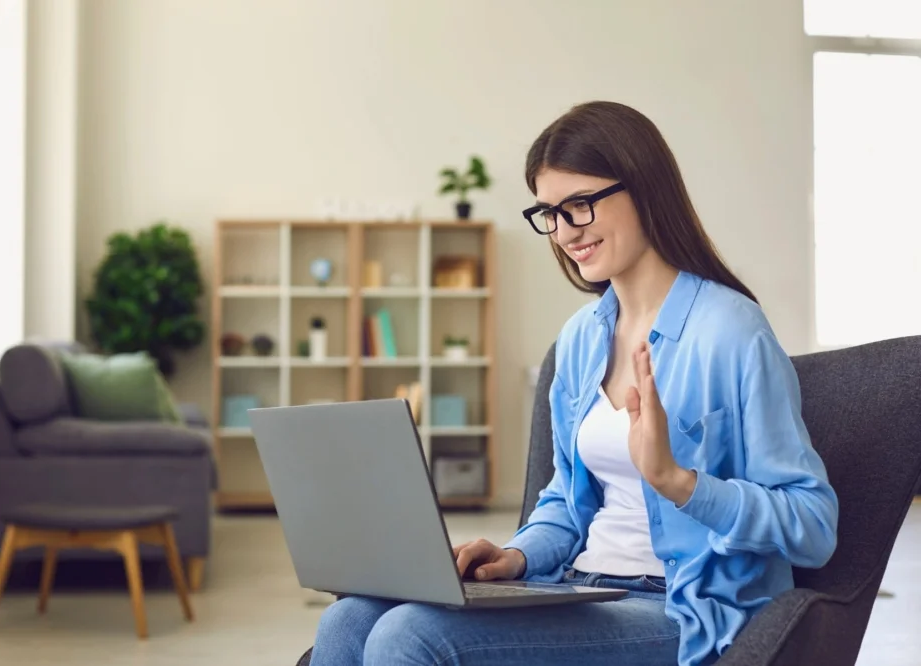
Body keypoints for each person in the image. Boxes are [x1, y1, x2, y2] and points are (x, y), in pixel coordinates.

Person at [308, 100, 839, 666]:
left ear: (643, 188)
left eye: (580, 205)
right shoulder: (582, 337)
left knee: (409, 635)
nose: (564, 232)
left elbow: (813, 524)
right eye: (549, 213)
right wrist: (514, 557)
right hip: (581, 586)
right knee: (351, 617)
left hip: (683, 609)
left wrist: (678, 481)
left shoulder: (729, 330)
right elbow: (567, 502)